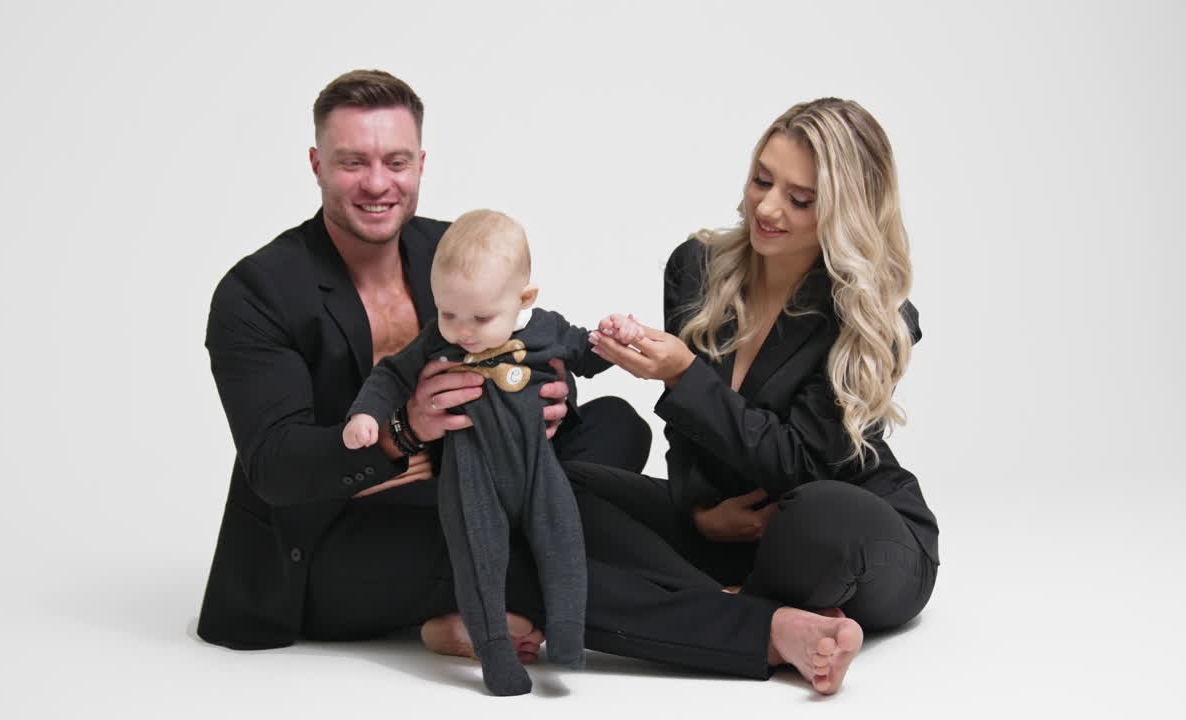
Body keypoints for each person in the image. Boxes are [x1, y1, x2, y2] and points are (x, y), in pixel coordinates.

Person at [198, 69, 873, 697]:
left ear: (420, 163)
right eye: (353, 162)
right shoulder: (258, 293)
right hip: (332, 537)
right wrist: (402, 431)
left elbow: (529, 346)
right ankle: (760, 628)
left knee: (601, 440)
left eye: (395, 162)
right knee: (519, 548)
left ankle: (461, 612)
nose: (378, 184)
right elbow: (274, 467)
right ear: (317, 164)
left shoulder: (449, 249)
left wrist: (552, 393)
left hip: (469, 475)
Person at [583, 97, 939, 695]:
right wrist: (698, 510)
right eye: (761, 180)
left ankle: (715, 605)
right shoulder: (697, 267)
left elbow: (801, 466)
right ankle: (749, 612)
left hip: (839, 528)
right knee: (559, 485)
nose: (767, 208)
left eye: (800, 199)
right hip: (729, 529)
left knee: (819, 514)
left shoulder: (873, 318)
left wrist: (684, 375)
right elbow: (686, 434)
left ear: (845, 211)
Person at [346, 209, 607, 695]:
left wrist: (615, 340)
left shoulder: (546, 328)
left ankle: (568, 634)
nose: (463, 331)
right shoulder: (437, 340)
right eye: (448, 314)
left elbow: (587, 354)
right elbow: (392, 374)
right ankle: (493, 650)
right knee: (477, 558)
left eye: (481, 318)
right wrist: (366, 416)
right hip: (472, 473)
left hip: (537, 467)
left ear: (524, 299)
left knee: (563, 537)